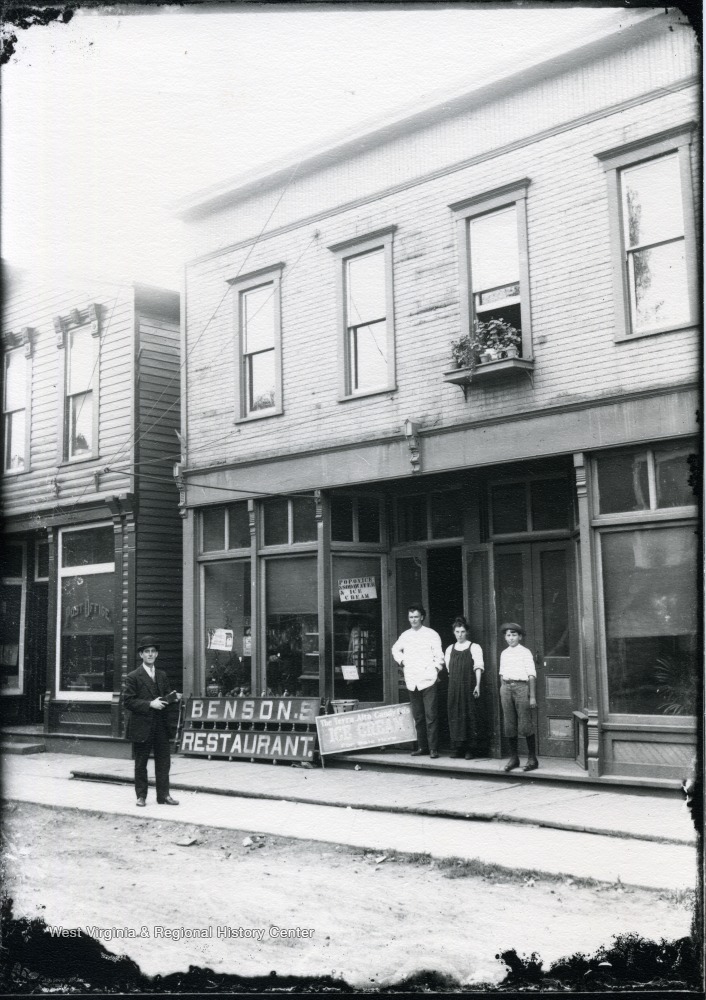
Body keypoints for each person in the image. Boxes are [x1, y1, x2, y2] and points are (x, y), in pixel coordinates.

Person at [124, 636, 181, 806]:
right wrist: (150, 704)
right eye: (146, 652)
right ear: (141, 654)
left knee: (164, 762)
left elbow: (166, 695)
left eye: (153, 652)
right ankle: (141, 796)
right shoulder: (133, 676)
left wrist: (173, 698)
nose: (150, 655)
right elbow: (128, 701)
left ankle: (164, 796)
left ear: (156, 654)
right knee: (141, 762)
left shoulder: (162, 675)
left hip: (161, 726)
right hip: (142, 726)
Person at [392, 604, 445, 758]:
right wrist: (402, 661)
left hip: (428, 680)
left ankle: (433, 748)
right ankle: (422, 747)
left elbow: (439, 656)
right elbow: (395, 649)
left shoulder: (431, 634)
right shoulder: (405, 635)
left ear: (422, 617)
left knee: (431, 715)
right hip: (412, 680)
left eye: (416, 616)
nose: (413, 620)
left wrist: (435, 670)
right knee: (418, 716)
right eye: (411, 617)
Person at [498, 622, 538, 772]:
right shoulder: (504, 653)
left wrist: (532, 696)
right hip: (506, 688)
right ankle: (514, 758)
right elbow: (502, 675)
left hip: (522, 688)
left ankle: (532, 758)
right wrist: (503, 689)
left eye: (514, 635)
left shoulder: (525, 652)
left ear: (520, 637)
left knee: (525, 723)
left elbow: (532, 675)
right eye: (508, 635)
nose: (511, 638)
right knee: (509, 724)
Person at [445, 616, 484, 759]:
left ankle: (470, 749)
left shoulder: (474, 647)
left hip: (468, 686)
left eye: (462, 631)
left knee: (469, 715)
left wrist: (477, 685)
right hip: (454, 687)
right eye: (457, 631)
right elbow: (449, 670)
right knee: (455, 715)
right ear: (454, 632)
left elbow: (478, 667)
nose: (460, 634)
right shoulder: (450, 649)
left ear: (467, 632)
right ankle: (458, 748)